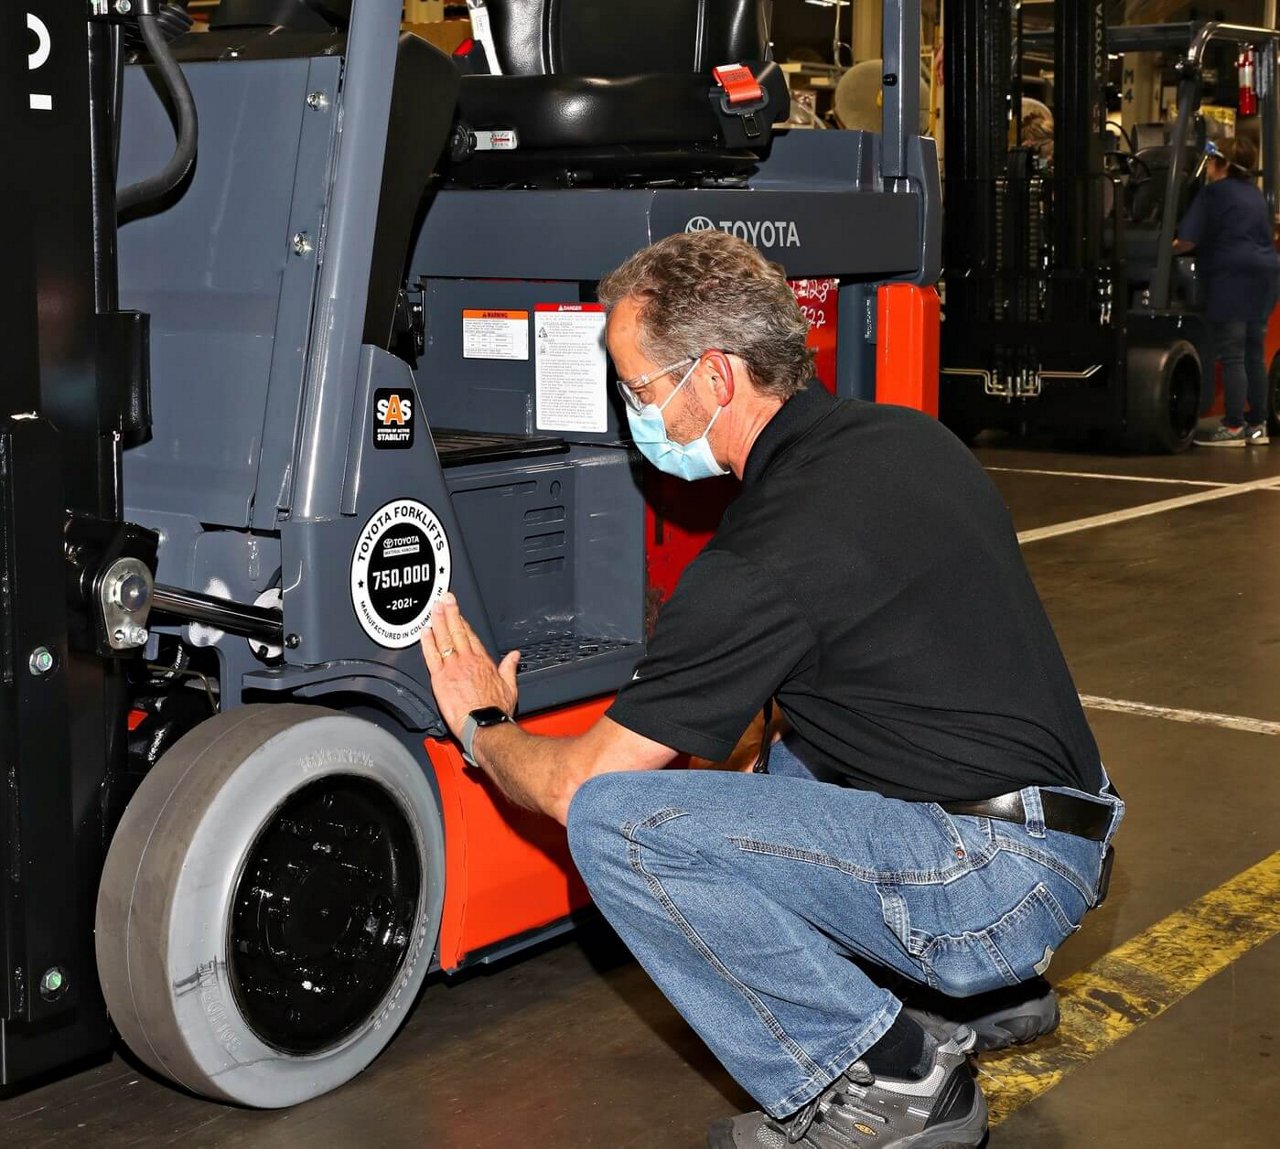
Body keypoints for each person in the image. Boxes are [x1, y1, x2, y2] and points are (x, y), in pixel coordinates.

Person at [420, 230, 1123, 1149]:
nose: (634, 414)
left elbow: (575, 786)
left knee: (621, 824)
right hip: (1069, 830)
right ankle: (973, 992)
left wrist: (482, 722)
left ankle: (892, 1080)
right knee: (783, 760)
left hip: (991, 881)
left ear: (714, 378)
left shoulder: (764, 554)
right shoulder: (900, 439)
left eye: (636, 388)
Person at [1174, 135, 1280, 446]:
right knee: (1253, 352)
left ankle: (1233, 427)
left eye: (1210, 160)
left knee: (1232, 354)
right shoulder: (1256, 195)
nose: (1206, 166)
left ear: (1221, 164)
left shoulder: (1213, 194)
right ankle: (1256, 426)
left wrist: (1160, 251)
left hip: (1231, 277)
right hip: (1265, 278)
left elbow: (1187, 241)